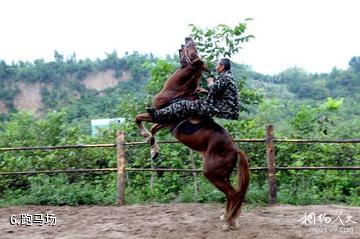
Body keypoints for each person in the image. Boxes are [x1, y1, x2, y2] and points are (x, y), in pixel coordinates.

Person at [147, 58, 240, 123]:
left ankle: (158, 114)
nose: (216, 67)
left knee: (184, 104)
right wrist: (205, 92)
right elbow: (221, 95)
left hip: (225, 110)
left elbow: (214, 89)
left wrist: (210, 82)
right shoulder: (227, 77)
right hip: (226, 109)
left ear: (222, 66)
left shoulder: (225, 77)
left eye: (217, 65)